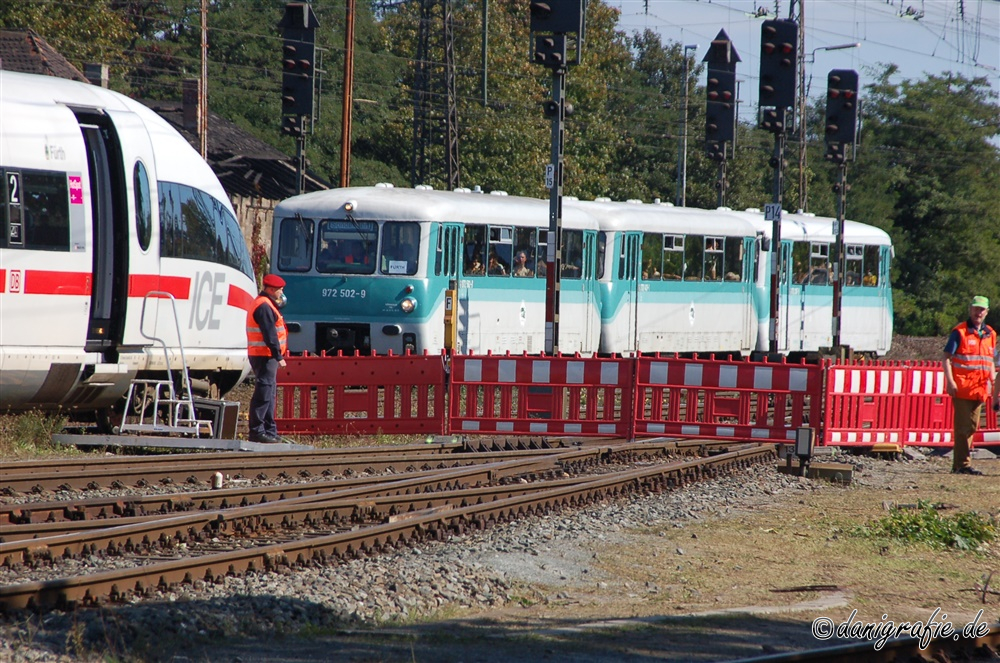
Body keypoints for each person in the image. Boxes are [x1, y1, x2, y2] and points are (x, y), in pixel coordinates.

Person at [943, 295, 996, 475]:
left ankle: (962, 463)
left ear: (987, 312)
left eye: (981, 309)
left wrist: (993, 381)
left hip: (979, 389)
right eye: (975, 309)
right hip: (962, 387)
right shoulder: (960, 332)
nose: (978, 312)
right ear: (970, 310)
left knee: (972, 427)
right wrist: (950, 381)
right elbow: (946, 358)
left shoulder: (990, 334)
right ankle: (961, 465)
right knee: (963, 427)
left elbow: (989, 361)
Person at [247, 273, 288, 444]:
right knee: (264, 393)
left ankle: (269, 430)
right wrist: (278, 355)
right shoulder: (263, 307)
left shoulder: (267, 304)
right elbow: (269, 334)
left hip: (266, 355)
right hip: (264, 355)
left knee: (269, 393)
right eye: (280, 290)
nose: (282, 293)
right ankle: (257, 431)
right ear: (271, 290)